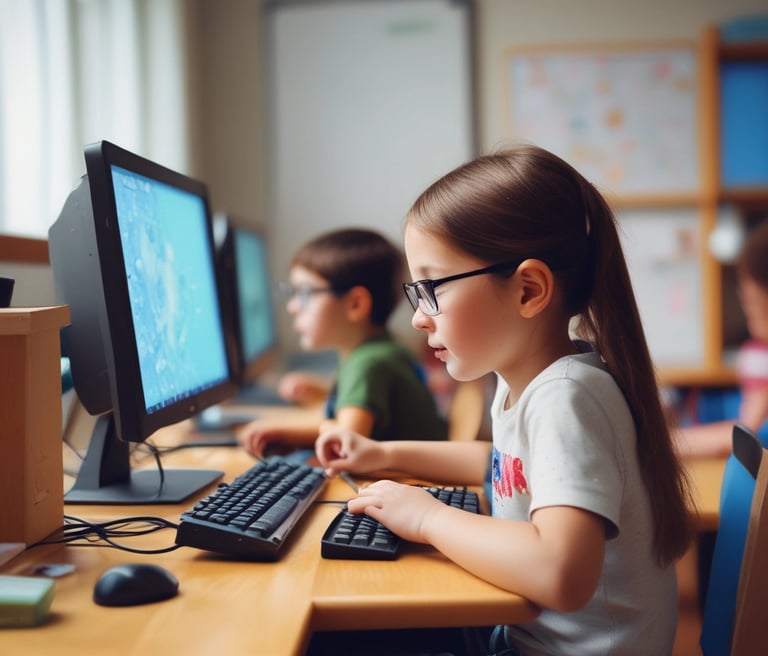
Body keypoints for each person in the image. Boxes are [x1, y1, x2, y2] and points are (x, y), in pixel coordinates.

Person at [314, 145, 695, 655]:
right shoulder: (531, 382)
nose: (418, 317)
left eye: (432, 287)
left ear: (527, 290)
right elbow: (502, 464)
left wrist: (430, 519)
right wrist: (383, 454)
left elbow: (562, 574)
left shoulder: (566, 399)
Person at [237, 227, 448, 461]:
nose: (293, 306)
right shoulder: (382, 348)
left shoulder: (368, 363)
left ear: (355, 304)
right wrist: (322, 390)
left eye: (305, 293)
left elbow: (347, 438)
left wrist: (284, 431)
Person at [673, 219, 768, 458]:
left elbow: (745, 435)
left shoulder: (761, 357)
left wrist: (662, 443)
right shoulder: (757, 351)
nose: (745, 302)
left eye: (752, 303)